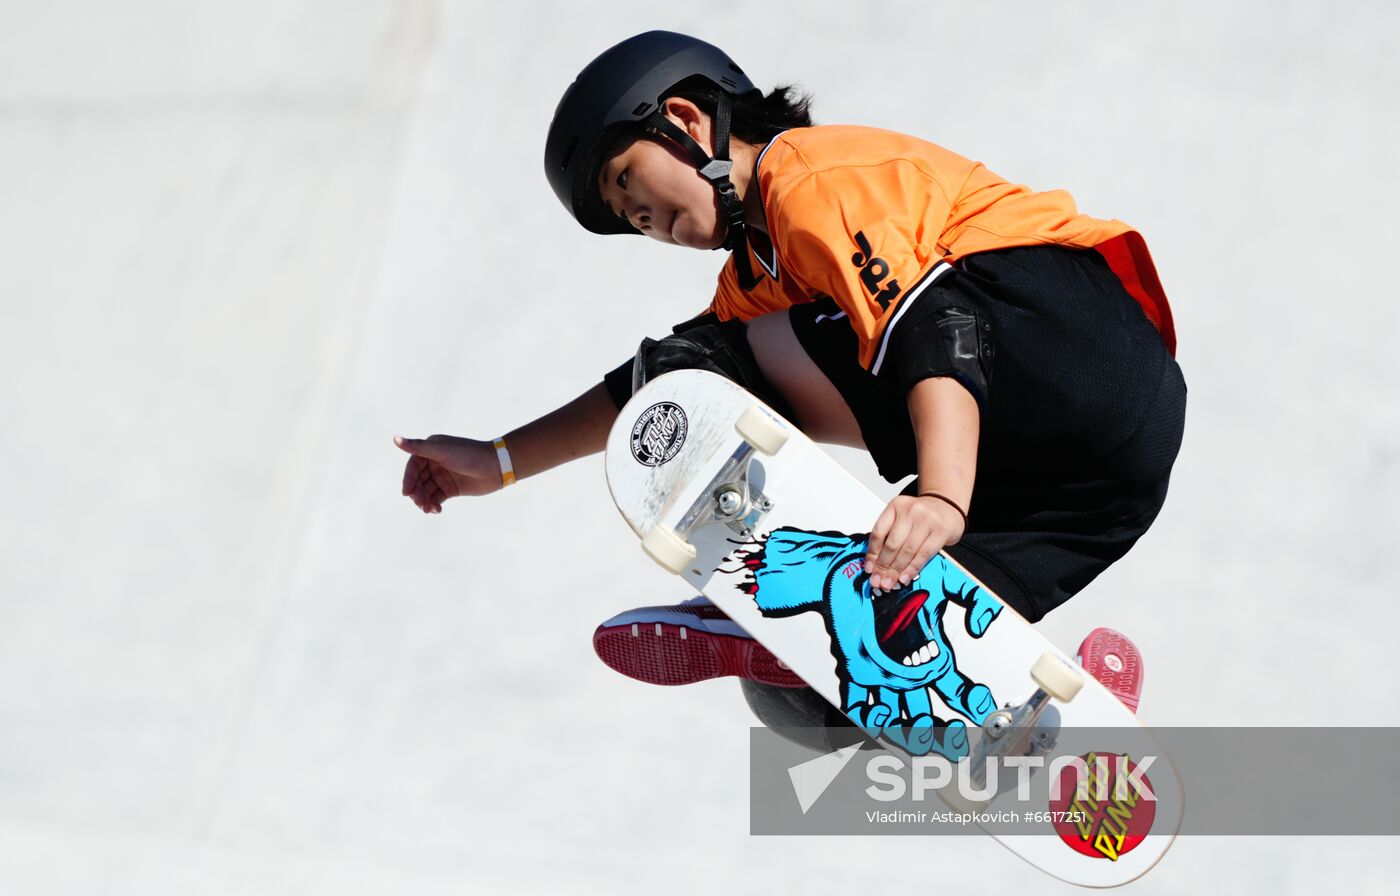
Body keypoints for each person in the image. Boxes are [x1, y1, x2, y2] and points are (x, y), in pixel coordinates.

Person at [395, 31, 1184, 750]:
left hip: (1069, 335)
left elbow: (934, 320)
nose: (639, 215)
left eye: (627, 177)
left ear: (687, 119)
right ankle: (1073, 727)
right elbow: (638, 394)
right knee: (839, 679)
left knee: (706, 368)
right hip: (1105, 476)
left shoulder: (811, 177)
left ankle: (778, 558)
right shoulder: (756, 273)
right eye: (623, 215)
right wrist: (498, 460)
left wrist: (941, 496)